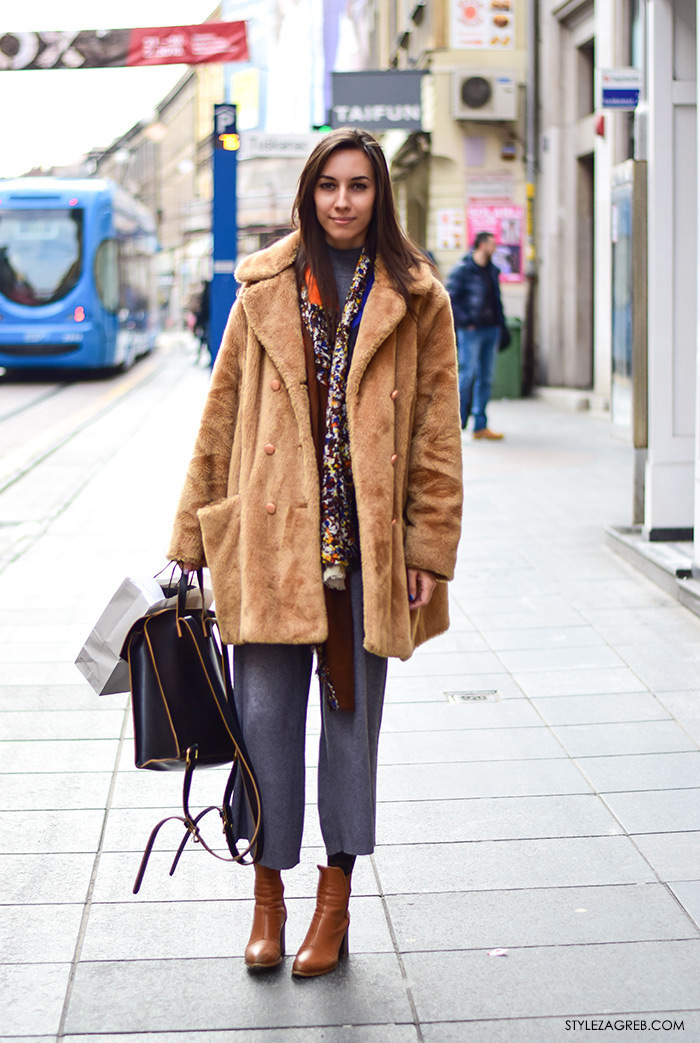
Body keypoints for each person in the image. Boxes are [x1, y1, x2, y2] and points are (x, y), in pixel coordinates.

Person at [167, 127, 463, 979]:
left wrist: (427, 548)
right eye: (329, 185)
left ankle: (333, 904)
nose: (343, 201)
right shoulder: (261, 286)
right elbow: (219, 416)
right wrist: (191, 535)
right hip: (268, 546)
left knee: (349, 735)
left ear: (381, 195)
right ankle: (268, 899)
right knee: (263, 732)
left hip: (364, 560)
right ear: (309, 192)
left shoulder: (417, 296)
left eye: (359, 186)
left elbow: (438, 437)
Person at [447, 231, 506, 439]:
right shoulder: (463, 270)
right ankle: (458, 423)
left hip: (491, 330)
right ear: (482, 245)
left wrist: (502, 326)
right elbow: (450, 298)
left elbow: (496, 301)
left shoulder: (492, 271)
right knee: (467, 376)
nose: (495, 248)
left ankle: (480, 425)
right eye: (492, 244)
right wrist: (466, 323)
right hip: (471, 331)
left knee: (486, 378)